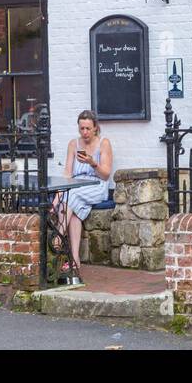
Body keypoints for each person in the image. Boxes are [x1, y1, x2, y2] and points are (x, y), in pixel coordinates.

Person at [57, 110, 113, 282]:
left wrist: (92, 162)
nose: (85, 132)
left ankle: (56, 241)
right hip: (75, 186)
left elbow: (105, 175)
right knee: (73, 213)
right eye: (82, 128)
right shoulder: (73, 144)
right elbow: (67, 172)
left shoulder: (104, 143)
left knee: (71, 195)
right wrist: (59, 193)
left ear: (95, 128)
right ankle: (75, 261)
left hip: (96, 185)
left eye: (88, 128)